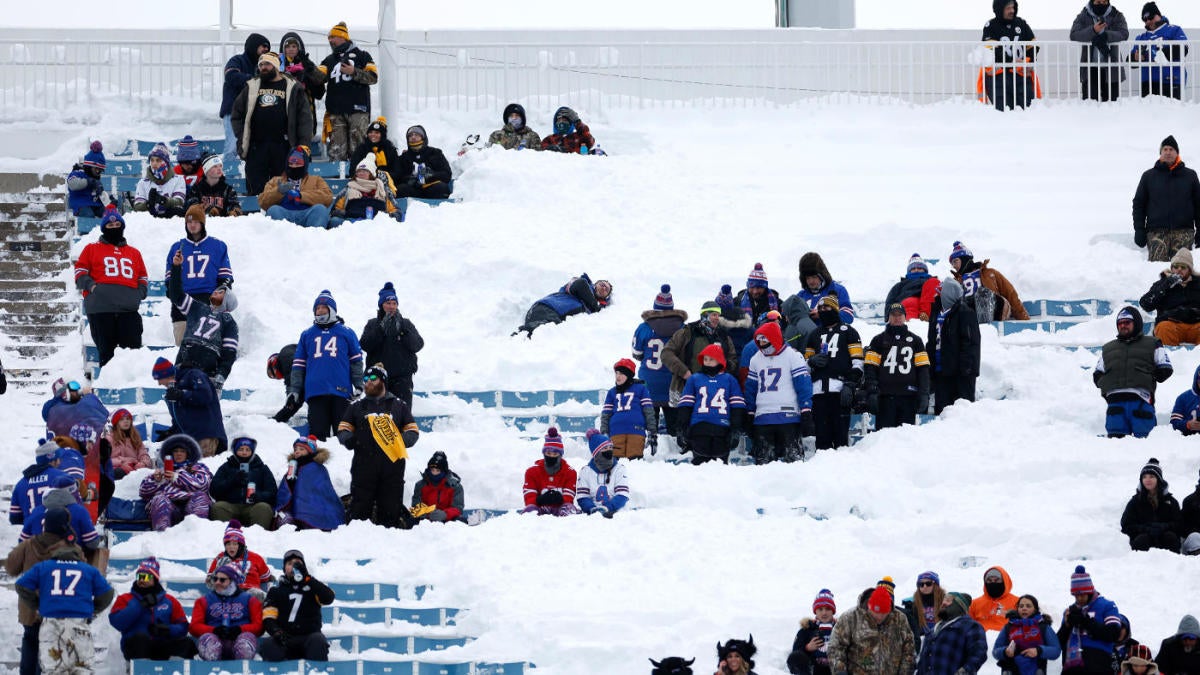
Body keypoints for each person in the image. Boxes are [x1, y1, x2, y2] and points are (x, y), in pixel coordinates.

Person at [15, 520, 114, 675]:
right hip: (79, 624)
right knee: (82, 669)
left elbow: (21, 585)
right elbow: (107, 593)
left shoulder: (44, 567)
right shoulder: (88, 570)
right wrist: (94, 610)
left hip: (51, 624)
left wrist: (37, 604)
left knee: (53, 669)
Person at [338, 363, 420, 528]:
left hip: (392, 466)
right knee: (359, 511)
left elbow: (413, 431)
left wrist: (399, 441)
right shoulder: (356, 407)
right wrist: (350, 440)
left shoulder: (399, 405)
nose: (368, 382)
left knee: (390, 510)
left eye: (373, 378)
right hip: (363, 465)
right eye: (366, 379)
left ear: (383, 380)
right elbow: (343, 429)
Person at [6, 507, 84, 675]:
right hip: (58, 609)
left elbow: (11, 567)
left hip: (31, 608)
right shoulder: (72, 550)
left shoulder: (28, 545)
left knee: (31, 642)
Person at [232, 51, 316, 197]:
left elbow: (305, 120)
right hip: (256, 147)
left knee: (282, 189)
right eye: (261, 64)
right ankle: (256, 218)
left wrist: (303, 145)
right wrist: (242, 136)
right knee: (256, 190)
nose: (263, 67)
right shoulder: (251, 87)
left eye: (267, 64)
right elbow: (236, 114)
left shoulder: (293, 87)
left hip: (284, 146)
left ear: (276, 66)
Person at [74, 204, 148, 366]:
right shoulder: (91, 249)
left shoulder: (134, 252)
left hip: (128, 310)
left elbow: (142, 276)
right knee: (107, 357)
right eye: (110, 225)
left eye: (117, 225)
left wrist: (140, 293)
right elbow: (79, 273)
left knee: (132, 356)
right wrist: (93, 287)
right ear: (103, 228)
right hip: (101, 310)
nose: (114, 227)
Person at [289, 289, 365, 439]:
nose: (320, 311)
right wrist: (294, 389)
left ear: (332, 310)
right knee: (317, 436)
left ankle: (343, 462)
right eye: (317, 308)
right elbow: (298, 365)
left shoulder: (347, 332)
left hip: (341, 391)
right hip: (316, 391)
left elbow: (356, 362)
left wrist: (359, 384)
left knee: (343, 436)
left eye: (323, 307)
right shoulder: (307, 334)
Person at [167, 215, 238, 366]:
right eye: (188, 222)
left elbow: (226, 278)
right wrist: (174, 295)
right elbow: (169, 281)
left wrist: (218, 303)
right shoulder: (176, 247)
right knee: (182, 350)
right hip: (182, 300)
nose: (192, 225)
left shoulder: (218, 246)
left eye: (195, 222)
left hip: (207, 301)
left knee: (208, 351)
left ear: (202, 223)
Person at [1094, 307, 1173, 437]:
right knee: (1115, 444)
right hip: (1115, 404)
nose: (1123, 326)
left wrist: (1145, 377)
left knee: (1145, 442)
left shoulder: (1153, 343)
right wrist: (1107, 383)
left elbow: (1166, 368)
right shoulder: (1108, 348)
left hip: (1140, 401)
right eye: (1120, 323)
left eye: (1127, 322)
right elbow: (1097, 375)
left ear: (1136, 323)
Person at [746, 321, 816, 462]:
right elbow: (751, 388)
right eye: (759, 340)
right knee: (763, 461)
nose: (762, 344)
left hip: (788, 416)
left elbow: (803, 384)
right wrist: (750, 412)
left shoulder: (792, 356)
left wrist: (806, 409)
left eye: (765, 340)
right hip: (763, 417)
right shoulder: (755, 359)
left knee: (793, 460)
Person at [804, 294, 864, 450]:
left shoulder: (849, 332)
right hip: (818, 392)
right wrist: (811, 361)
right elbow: (804, 367)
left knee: (840, 440)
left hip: (840, 391)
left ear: (835, 309)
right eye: (821, 308)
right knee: (822, 440)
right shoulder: (814, 334)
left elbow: (858, 362)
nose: (824, 310)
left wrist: (850, 385)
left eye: (827, 307)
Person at [108, 557, 195, 661]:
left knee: (188, 643)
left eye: (145, 577)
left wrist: (167, 630)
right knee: (140, 639)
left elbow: (183, 627)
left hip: (161, 646)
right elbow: (117, 622)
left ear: (155, 579)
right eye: (139, 576)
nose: (141, 580)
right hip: (136, 647)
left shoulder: (169, 601)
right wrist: (140, 605)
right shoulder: (125, 599)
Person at [862, 303, 931, 429]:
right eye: (894, 315)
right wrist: (872, 391)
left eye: (900, 315)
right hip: (885, 398)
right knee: (884, 439)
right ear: (888, 317)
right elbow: (870, 368)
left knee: (906, 439)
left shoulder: (916, 341)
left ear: (905, 317)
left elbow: (923, 370)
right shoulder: (878, 340)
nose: (897, 317)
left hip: (909, 398)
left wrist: (924, 393)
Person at [676, 344, 747, 465]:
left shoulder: (729, 379)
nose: (707, 362)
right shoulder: (694, 379)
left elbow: (737, 406)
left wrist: (736, 429)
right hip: (699, 427)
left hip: (722, 428)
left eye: (711, 359)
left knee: (720, 464)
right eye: (705, 359)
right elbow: (686, 406)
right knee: (700, 463)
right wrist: (682, 428)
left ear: (719, 360)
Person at [1133, 137, 1200, 262]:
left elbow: (1198, 204)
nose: (1168, 152)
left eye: (1171, 149)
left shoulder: (1190, 175)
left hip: (1183, 232)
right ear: (1161, 153)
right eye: (1165, 149)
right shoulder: (1148, 176)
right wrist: (1139, 229)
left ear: (1177, 153)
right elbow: (1139, 204)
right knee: (1156, 271)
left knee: (1181, 271)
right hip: (1157, 233)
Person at [260, 550, 335, 662]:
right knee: (269, 645)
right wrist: (276, 632)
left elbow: (329, 597)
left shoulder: (312, 588)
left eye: (297, 564)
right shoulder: (276, 591)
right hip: (285, 639)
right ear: (284, 569)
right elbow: (268, 618)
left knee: (318, 640)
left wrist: (307, 579)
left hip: (309, 638)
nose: (293, 566)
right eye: (289, 564)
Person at [318, 22, 378, 161]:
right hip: (335, 111)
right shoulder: (329, 60)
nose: (330, 41)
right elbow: (319, 78)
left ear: (343, 37)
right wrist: (308, 66)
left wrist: (354, 72)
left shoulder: (363, 56)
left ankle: (359, 179)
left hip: (358, 110)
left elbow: (373, 78)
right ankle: (337, 181)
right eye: (329, 38)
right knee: (336, 151)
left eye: (333, 37)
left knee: (358, 149)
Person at [662, 301, 739, 411]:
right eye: (713, 315)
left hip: (714, 393)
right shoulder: (687, 332)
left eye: (718, 315)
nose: (717, 318)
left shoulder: (724, 337)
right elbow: (666, 353)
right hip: (686, 388)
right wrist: (684, 372)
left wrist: (723, 371)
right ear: (704, 315)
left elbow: (733, 359)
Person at [360, 281, 425, 410]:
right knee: (377, 418)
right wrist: (380, 330)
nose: (391, 306)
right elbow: (364, 345)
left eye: (394, 303)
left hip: (402, 379)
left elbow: (418, 345)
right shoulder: (372, 324)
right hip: (377, 379)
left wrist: (403, 331)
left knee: (401, 418)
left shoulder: (406, 323)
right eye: (388, 303)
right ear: (381, 305)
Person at [828, 585, 916, 675]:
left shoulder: (899, 619)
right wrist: (840, 671)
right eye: (876, 612)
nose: (880, 617)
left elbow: (909, 649)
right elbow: (835, 647)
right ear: (869, 606)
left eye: (884, 613)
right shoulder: (850, 618)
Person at [1057, 566, 1123, 675]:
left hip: (1098, 663)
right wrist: (1066, 626)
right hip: (1071, 666)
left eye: (1082, 594)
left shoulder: (1107, 605)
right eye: (1076, 595)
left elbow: (1113, 634)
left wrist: (1086, 622)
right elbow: (1058, 644)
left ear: (1090, 591)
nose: (1079, 599)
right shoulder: (1070, 611)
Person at [138, 434, 213, 531]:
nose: (179, 454)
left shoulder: (198, 467)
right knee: (159, 499)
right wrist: (157, 481)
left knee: (200, 497)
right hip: (169, 508)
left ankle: (196, 536)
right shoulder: (162, 470)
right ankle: (162, 538)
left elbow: (203, 485)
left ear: (188, 453)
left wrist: (178, 477)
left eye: (182, 451)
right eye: (176, 451)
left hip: (192, 506)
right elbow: (143, 492)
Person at [189, 564, 264, 660]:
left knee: (245, 641)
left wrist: (240, 629)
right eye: (215, 579)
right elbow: (194, 627)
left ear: (233, 581)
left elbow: (259, 626)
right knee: (209, 641)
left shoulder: (250, 600)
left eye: (222, 580)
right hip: (214, 639)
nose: (217, 582)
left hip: (239, 639)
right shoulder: (203, 601)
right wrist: (214, 630)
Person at [153, 357, 227, 453]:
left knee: (201, 467)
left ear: (167, 375)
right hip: (190, 440)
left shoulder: (194, 375)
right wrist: (171, 432)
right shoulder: (173, 391)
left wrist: (182, 394)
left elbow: (205, 395)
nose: (159, 383)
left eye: (159, 379)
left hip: (205, 436)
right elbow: (180, 419)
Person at [782, 252, 856, 349]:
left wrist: (822, 315)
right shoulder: (801, 296)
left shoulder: (838, 290)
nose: (811, 281)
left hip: (832, 343)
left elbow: (848, 316)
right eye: (807, 278)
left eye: (814, 277)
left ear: (822, 275)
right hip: (806, 345)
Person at [929, 279, 981, 414]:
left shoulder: (965, 313)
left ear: (948, 294)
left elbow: (970, 344)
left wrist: (966, 371)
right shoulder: (935, 313)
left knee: (962, 415)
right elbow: (931, 342)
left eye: (940, 293)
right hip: (941, 372)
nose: (936, 296)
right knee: (941, 416)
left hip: (961, 374)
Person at [221, 33, 272, 168]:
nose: (265, 50)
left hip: (252, 114)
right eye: (263, 46)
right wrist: (254, 80)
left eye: (268, 48)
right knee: (232, 146)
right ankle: (227, 177)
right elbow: (231, 76)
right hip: (233, 111)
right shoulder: (237, 60)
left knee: (250, 147)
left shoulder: (264, 67)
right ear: (253, 45)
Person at [275, 436, 346, 531]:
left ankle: (309, 523)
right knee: (284, 520)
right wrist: (289, 482)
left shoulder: (317, 468)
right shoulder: (293, 469)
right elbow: (284, 493)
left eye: (301, 449)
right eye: (295, 449)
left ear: (310, 451)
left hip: (316, 510)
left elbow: (323, 491)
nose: (297, 451)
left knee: (315, 516)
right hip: (294, 510)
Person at [947, 241, 1029, 321]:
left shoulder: (989, 273)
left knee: (982, 293)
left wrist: (1023, 318)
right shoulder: (956, 282)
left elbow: (1010, 293)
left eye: (955, 261)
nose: (954, 266)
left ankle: (985, 326)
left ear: (964, 259)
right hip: (971, 316)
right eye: (952, 264)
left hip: (995, 309)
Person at [981, 0, 1039, 111]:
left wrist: (1030, 63)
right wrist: (1011, 61)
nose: (1012, 11)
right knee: (1003, 111)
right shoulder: (991, 26)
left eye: (1013, 7)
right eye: (1008, 8)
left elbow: (1033, 46)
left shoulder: (1021, 23)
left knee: (1028, 110)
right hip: (999, 77)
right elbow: (991, 51)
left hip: (1021, 75)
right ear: (999, 9)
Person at [209, 437, 278, 529]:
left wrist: (259, 496)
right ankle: (225, 537)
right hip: (230, 506)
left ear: (252, 451)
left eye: (248, 449)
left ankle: (259, 536)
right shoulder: (226, 467)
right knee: (218, 507)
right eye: (241, 449)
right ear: (235, 450)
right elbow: (214, 490)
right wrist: (232, 481)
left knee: (264, 508)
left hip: (253, 507)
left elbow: (272, 492)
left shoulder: (262, 468)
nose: (244, 452)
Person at [514, 274, 613, 337]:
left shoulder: (591, 308)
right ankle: (512, 344)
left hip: (555, 317)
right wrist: (595, 306)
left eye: (607, 289)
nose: (604, 287)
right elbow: (580, 284)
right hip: (547, 308)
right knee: (536, 332)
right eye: (602, 284)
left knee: (543, 337)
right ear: (595, 284)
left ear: (606, 297)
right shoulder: (582, 283)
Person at [260, 145, 333, 229]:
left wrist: (301, 195)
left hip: (307, 214)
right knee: (273, 210)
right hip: (284, 214)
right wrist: (278, 192)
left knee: (320, 210)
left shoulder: (316, 180)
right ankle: (282, 238)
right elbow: (263, 202)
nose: (294, 166)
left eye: (298, 163)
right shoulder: (276, 180)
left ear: (304, 165)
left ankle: (313, 238)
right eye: (291, 163)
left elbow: (327, 197)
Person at [915, 592, 988, 675]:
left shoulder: (971, 626)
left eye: (948, 600)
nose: (943, 603)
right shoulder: (932, 631)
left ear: (960, 606)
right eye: (943, 600)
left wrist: (964, 671)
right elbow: (922, 662)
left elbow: (979, 654)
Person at [1070, 0, 1130, 101]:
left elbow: (1124, 33)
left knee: (1112, 105)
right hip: (1090, 68)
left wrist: (1106, 35)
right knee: (1089, 105)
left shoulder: (1116, 15)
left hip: (1111, 67)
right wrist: (1093, 30)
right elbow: (1074, 34)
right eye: (1097, 2)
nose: (1101, 5)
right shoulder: (1083, 15)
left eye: (1104, 2)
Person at [19, 480, 101, 554]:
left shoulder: (37, 511)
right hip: (71, 564)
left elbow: (22, 542)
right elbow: (92, 543)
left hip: (38, 564)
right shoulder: (79, 511)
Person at [1120, 458, 1182, 552]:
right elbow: (1126, 526)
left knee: (1170, 537)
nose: (1147, 480)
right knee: (1142, 539)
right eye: (1144, 477)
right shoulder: (1135, 501)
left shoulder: (1171, 501)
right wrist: (1146, 529)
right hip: (1144, 541)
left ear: (1159, 479)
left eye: (1151, 476)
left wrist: (1164, 527)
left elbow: (1180, 524)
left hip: (1165, 540)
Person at [1140, 248, 1200, 344]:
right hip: (1171, 325)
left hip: (1195, 325)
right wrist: (1165, 285)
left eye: (1183, 267)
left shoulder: (1198, 284)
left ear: (1190, 270)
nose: (1179, 269)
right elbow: (1145, 304)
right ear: (1172, 268)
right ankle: (1169, 357)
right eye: (1176, 266)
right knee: (1163, 328)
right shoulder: (1162, 284)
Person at [993, 595, 1062, 675]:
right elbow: (995, 651)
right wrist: (1005, 652)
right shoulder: (1009, 627)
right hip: (1011, 670)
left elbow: (1056, 651)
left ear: (1035, 609)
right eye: (1021, 606)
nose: (1024, 608)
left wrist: (1038, 651)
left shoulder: (1043, 627)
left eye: (1028, 606)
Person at [601, 358, 655, 459]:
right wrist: (604, 432)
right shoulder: (612, 392)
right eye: (616, 373)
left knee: (634, 460)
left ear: (629, 375)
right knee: (616, 463)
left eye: (621, 373)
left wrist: (652, 432)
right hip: (616, 432)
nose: (618, 376)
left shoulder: (641, 389)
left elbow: (648, 411)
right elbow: (606, 414)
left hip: (636, 431)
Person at [1131, 4, 1187, 99]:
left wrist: (1157, 53)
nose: (1148, 21)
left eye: (1150, 17)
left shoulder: (1174, 30)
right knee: (1147, 113)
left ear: (1158, 15)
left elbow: (1183, 49)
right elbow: (1130, 61)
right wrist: (1135, 58)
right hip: (1147, 83)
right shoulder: (1141, 37)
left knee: (1172, 112)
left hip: (1172, 80)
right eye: (1145, 20)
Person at [205, 520, 272, 599]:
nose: (231, 547)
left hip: (252, 595)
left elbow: (266, 578)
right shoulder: (220, 558)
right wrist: (218, 570)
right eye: (228, 544)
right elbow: (210, 583)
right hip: (228, 595)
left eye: (234, 544)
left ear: (240, 545)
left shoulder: (255, 558)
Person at [10, 439, 71, 525]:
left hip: (31, 535)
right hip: (58, 534)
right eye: (58, 459)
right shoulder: (62, 477)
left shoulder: (20, 484)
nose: (59, 462)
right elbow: (75, 507)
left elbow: (14, 518)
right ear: (53, 459)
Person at [279, 32, 325, 145]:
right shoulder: (277, 64)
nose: (291, 49)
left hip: (305, 110)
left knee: (303, 148)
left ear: (299, 48)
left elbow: (320, 91)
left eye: (294, 46)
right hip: (283, 111)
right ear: (283, 49)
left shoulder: (306, 63)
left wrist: (308, 74)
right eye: (287, 46)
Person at [329, 154, 398, 225]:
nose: (361, 173)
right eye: (358, 171)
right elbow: (335, 210)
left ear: (371, 174)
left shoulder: (382, 189)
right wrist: (347, 213)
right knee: (335, 221)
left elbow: (395, 210)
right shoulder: (348, 189)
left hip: (377, 225)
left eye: (365, 171)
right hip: (352, 224)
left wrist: (387, 217)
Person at [522, 427, 577, 516]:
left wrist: (560, 499)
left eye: (555, 454)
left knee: (570, 510)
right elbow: (529, 499)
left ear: (560, 455)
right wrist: (540, 499)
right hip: (539, 508)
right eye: (548, 453)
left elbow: (569, 499)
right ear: (544, 454)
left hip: (561, 509)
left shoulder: (570, 472)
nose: (551, 456)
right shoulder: (531, 471)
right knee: (529, 511)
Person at [576, 429, 630, 517]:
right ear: (596, 453)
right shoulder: (585, 471)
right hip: (592, 515)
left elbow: (622, 495)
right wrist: (592, 509)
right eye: (605, 448)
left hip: (616, 514)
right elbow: (582, 496)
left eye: (610, 447)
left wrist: (608, 508)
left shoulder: (619, 469)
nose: (609, 451)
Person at [394, 124, 454, 200]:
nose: (413, 137)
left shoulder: (435, 153)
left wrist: (432, 175)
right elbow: (398, 177)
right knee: (400, 189)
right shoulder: (404, 157)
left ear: (423, 137)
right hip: (413, 190)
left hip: (431, 187)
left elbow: (447, 174)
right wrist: (409, 180)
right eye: (410, 135)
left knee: (441, 187)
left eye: (416, 135)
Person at [42, 378, 109, 441]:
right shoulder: (60, 409)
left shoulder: (57, 407)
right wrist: (89, 396)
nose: (78, 390)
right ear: (65, 393)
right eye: (73, 387)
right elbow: (83, 408)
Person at [788, 589, 837, 675]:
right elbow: (794, 655)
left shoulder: (842, 629)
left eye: (828, 609)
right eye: (820, 609)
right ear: (815, 611)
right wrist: (807, 648)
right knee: (796, 657)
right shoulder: (806, 629)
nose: (824, 613)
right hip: (812, 670)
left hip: (837, 669)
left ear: (833, 611)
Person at [131, 142, 186, 217]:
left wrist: (163, 200)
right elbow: (137, 207)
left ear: (165, 162)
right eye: (152, 160)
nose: (154, 163)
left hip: (172, 223)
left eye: (158, 160)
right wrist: (149, 204)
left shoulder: (178, 179)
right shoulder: (142, 183)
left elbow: (179, 202)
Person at [410, 451, 464, 524]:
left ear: (444, 471)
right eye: (432, 470)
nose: (434, 473)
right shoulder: (420, 485)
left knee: (460, 520)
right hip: (425, 521)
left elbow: (458, 508)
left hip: (448, 520)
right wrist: (428, 514)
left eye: (438, 470)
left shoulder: (455, 486)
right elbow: (416, 505)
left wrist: (445, 514)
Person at [351, 117, 402, 190]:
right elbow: (353, 170)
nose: (373, 135)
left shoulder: (390, 150)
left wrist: (382, 176)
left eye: (377, 133)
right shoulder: (361, 149)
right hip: (364, 184)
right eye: (370, 132)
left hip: (386, 184)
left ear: (383, 135)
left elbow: (397, 172)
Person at [885, 254, 940, 321]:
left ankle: (926, 317)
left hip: (928, 302)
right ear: (909, 271)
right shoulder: (900, 285)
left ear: (925, 270)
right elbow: (890, 300)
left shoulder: (932, 280)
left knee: (933, 282)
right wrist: (888, 316)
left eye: (919, 268)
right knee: (910, 303)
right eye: (913, 268)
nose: (916, 270)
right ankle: (910, 325)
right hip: (909, 302)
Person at [903, 572, 946, 653]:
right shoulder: (912, 604)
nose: (924, 586)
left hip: (942, 641)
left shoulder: (945, 601)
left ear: (935, 584)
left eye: (928, 583)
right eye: (921, 584)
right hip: (922, 642)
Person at [66, 140, 110, 216]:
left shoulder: (96, 179)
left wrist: (109, 199)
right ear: (89, 166)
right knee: (88, 214)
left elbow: (100, 195)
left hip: (95, 204)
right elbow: (72, 184)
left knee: (108, 214)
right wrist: (88, 182)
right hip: (80, 204)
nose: (98, 172)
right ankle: (87, 227)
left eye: (100, 170)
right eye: (96, 169)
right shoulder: (77, 173)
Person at [969, 566, 1019, 631]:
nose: (993, 583)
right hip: (981, 638)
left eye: (997, 580)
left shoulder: (1018, 602)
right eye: (989, 580)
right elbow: (967, 625)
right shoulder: (974, 603)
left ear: (1004, 581)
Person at [106, 408, 151, 479]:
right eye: (121, 419)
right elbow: (104, 460)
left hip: (135, 468)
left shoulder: (135, 437)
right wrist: (122, 462)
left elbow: (144, 454)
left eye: (127, 419)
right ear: (116, 423)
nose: (126, 421)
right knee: (118, 472)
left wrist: (143, 463)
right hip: (118, 471)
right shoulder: (109, 439)